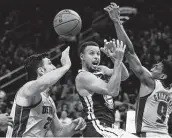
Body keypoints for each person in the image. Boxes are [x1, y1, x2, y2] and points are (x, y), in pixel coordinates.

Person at [104, 2, 172, 138]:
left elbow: (129, 51)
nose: (152, 67)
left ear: (163, 76)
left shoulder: (151, 82)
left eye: (157, 67)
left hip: (149, 135)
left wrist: (117, 22)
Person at [6, 46, 86, 137]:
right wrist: (66, 66)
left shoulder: (50, 101)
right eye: (50, 63)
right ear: (41, 71)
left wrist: (74, 125)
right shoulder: (27, 89)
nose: (55, 67)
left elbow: (59, 133)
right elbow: (42, 83)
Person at [75, 40, 138, 138]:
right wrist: (118, 60)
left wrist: (113, 57)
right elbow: (113, 91)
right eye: (91, 53)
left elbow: (124, 75)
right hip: (96, 125)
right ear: (82, 57)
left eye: (98, 54)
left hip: (108, 126)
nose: (96, 56)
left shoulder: (102, 69)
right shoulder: (82, 76)